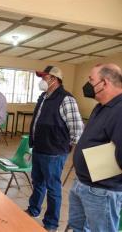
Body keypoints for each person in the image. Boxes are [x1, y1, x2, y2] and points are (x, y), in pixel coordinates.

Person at [25, 65, 83, 232]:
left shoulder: (66, 99)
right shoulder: (43, 96)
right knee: (37, 183)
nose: (42, 80)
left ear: (54, 79)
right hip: (39, 148)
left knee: (53, 188)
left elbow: (77, 128)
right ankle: (33, 210)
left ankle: (51, 224)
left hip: (54, 152)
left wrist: (65, 145)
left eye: (45, 77)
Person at [68, 63, 122, 232]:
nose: (88, 84)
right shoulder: (101, 106)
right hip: (82, 183)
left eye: (91, 80)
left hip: (101, 190)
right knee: (78, 228)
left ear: (104, 83)